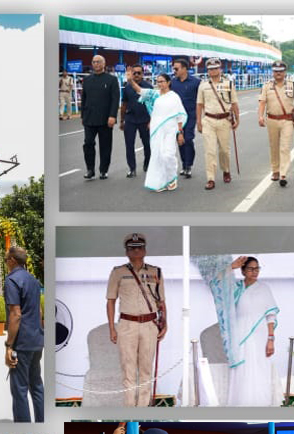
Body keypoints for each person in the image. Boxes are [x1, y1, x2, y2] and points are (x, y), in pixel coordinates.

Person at [196, 255, 281, 406]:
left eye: (257, 269)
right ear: (243, 271)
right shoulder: (235, 288)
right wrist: (231, 267)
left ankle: (260, 405)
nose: (255, 272)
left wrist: (270, 339)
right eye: (250, 269)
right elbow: (216, 283)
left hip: (259, 335)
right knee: (241, 370)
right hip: (238, 334)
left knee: (259, 369)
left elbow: (270, 316)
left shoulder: (263, 288)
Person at [107, 233, 167, 407]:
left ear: (145, 250)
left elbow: (161, 301)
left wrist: (165, 323)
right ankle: (129, 410)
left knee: (147, 370)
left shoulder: (156, 272)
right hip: (127, 324)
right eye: (132, 248)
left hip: (150, 324)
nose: (136, 251)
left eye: (139, 247)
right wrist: (112, 328)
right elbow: (111, 301)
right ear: (126, 251)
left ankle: (142, 410)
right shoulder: (118, 272)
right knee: (128, 371)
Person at [124, 71, 187, 192]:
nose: (160, 84)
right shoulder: (154, 95)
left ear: (168, 82)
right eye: (158, 82)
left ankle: (171, 178)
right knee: (157, 155)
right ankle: (161, 182)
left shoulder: (174, 97)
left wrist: (180, 133)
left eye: (162, 81)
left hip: (170, 130)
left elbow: (180, 115)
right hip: (156, 129)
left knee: (167, 155)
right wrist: (131, 81)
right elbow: (140, 90)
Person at [3, 244, 44, 422]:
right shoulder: (33, 280)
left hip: (22, 343)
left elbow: (16, 314)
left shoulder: (12, 280)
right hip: (37, 340)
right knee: (36, 385)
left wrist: (9, 345)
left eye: (6, 259)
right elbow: (39, 312)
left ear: (12, 260)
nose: (5, 263)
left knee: (19, 389)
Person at [196, 58, 239, 190]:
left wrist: (237, 118)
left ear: (220, 69)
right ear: (207, 70)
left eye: (215, 68)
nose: (212, 71)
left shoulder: (228, 84)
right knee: (210, 151)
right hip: (208, 120)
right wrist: (198, 121)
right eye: (210, 69)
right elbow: (199, 104)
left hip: (224, 120)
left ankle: (226, 170)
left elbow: (234, 103)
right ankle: (210, 178)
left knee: (224, 150)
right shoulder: (203, 85)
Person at [258, 60, 294, 187]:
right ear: (273, 72)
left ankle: (283, 174)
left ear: (285, 72)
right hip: (272, 119)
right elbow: (262, 103)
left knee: (285, 147)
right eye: (276, 71)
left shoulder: (291, 85)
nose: (278, 73)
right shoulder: (267, 86)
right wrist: (260, 117)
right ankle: (275, 171)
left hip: (287, 120)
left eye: (281, 71)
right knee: (274, 147)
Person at [80, 54, 120, 180]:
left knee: (105, 145)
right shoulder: (87, 80)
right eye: (94, 62)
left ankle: (103, 170)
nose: (96, 64)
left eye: (98, 62)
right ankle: (90, 169)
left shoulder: (111, 80)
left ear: (104, 64)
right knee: (88, 143)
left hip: (105, 119)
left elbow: (115, 99)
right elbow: (83, 98)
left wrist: (112, 116)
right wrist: (83, 116)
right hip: (89, 118)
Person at [169, 57, 200, 178]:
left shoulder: (196, 82)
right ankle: (184, 165)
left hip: (190, 115)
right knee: (180, 140)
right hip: (176, 117)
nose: (174, 71)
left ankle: (188, 165)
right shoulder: (172, 82)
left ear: (184, 69)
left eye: (176, 68)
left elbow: (201, 100)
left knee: (188, 139)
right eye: (174, 68)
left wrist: (199, 117)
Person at [120, 65, 152, 177]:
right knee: (129, 144)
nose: (137, 75)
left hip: (145, 120)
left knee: (147, 144)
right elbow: (124, 104)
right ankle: (132, 168)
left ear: (143, 74)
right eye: (135, 73)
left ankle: (147, 163)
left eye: (139, 73)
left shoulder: (148, 87)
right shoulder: (127, 87)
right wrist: (121, 120)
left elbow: (152, 105)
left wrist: (151, 120)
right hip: (130, 119)